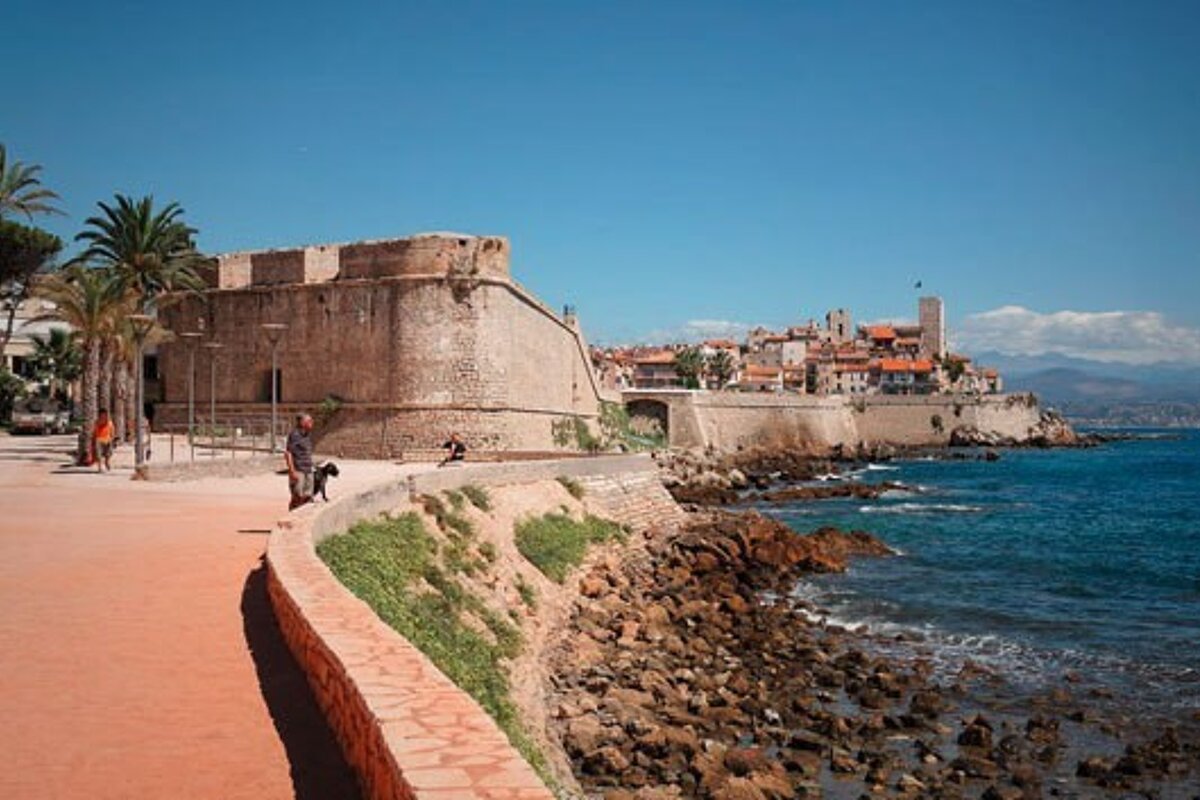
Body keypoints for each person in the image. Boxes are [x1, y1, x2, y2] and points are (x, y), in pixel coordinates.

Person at [285, 413, 315, 510]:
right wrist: (292, 471)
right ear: (302, 422)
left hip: (308, 470)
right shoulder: (294, 435)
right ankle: (291, 517)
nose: (312, 423)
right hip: (298, 470)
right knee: (297, 497)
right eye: (309, 421)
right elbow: (288, 453)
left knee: (308, 496)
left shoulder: (307, 435)